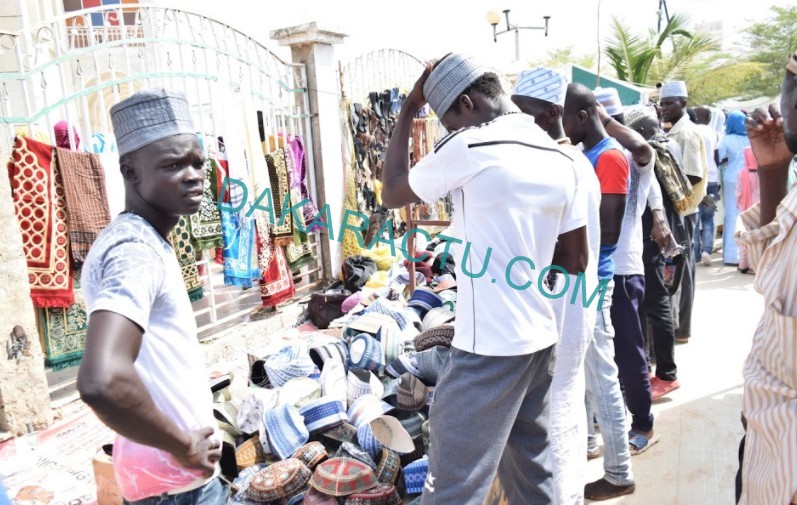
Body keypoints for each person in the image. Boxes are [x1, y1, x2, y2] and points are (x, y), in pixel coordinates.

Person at [381, 54, 588, 505]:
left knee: (453, 487)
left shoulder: (471, 148)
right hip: (538, 342)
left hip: (488, 350)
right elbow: (574, 262)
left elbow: (392, 189)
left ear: (469, 105)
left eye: (450, 120)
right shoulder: (561, 158)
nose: (452, 131)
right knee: (532, 473)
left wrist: (408, 107)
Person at [77, 89, 227, 505]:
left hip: (164, 478)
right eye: (173, 165)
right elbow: (102, 380)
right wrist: (184, 445)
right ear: (130, 172)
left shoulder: (143, 240)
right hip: (175, 486)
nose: (195, 175)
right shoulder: (135, 252)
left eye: (198, 162)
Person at [511, 66, 601, 505]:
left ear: (550, 114)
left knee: (560, 405)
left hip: (566, 301)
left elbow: (571, 258)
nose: (516, 123)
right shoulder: (568, 162)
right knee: (564, 401)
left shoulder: (565, 164)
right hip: (569, 300)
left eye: (524, 114)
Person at [563, 83, 634, 500]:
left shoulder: (608, 157)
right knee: (586, 371)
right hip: (585, 277)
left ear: (583, 117)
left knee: (602, 376)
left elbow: (607, 231)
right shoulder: (588, 155)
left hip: (597, 280)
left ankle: (620, 472)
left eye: (566, 118)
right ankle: (591, 444)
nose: (562, 127)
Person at [735, 50, 797, 505]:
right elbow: (768, 270)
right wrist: (774, 173)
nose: (785, 102)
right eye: (789, 83)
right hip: (768, 437)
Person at [594, 94, 670, 458]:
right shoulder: (593, 156)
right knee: (600, 353)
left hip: (623, 270)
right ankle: (606, 422)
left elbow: (641, 147)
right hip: (596, 271)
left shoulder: (634, 157)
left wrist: (602, 121)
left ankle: (643, 422)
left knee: (628, 351)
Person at [627, 110, 686, 400]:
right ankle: (657, 368)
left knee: (656, 302)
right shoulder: (663, 149)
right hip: (655, 238)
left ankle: (666, 373)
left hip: (650, 239)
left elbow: (653, 200)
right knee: (654, 302)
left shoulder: (650, 154)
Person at [660, 81, 707, 344]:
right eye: (663, 103)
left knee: (684, 270)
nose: (664, 108)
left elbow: (693, 174)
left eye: (670, 103)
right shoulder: (674, 131)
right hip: (679, 209)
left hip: (685, 210)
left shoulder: (686, 133)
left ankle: (683, 328)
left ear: (683, 104)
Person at [718, 111, 751, 266]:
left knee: (731, 214)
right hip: (749, 178)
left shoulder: (726, 139)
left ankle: (731, 256)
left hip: (731, 178)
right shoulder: (751, 137)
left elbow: (719, 158)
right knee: (747, 213)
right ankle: (747, 255)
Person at [693, 106, 721, 266]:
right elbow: (716, 157)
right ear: (709, 117)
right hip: (711, 179)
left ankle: (696, 254)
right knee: (709, 218)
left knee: (695, 218)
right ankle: (707, 250)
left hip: (697, 179)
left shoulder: (693, 131)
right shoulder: (713, 132)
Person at [737, 147, 761, 274]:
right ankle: (756, 264)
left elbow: (738, 192)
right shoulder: (764, 172)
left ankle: (743, 264)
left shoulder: (742, 173)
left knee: (744, 235)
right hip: (759, 209)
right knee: (758, 235)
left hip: (746, 208)